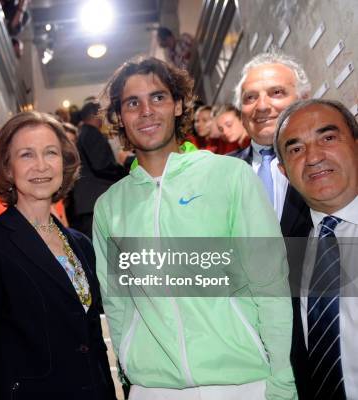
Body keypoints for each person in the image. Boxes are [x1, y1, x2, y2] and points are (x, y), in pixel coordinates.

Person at [94, 56, 297, 398]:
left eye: (157, 97)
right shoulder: (109, 206)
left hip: (242, 382)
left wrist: (281, 378)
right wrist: (130, 368)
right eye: (132, 102)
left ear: (177, 105)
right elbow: (118, 303)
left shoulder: (230, 176)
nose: (146, 111)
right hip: (153, 387)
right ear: (119, 117)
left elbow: (270, 283)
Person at [0, 111, 116, 400]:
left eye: (50, 153)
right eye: (26, 155)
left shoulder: (80, 244)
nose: (41, 165)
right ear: (7, 167)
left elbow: (93, 340)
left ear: (64, 163)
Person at [274, 99, 358, 400]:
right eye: (296, 149)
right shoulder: (283, 255)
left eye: (328, 138)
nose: (313, 157)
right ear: (284, 171)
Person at [231, 51, 311, 237]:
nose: (262, 107)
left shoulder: (334, 158)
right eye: (250, 97)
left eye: (276, 92)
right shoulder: (221, 171)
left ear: (304, 99)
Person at [71, 101, 128, 237]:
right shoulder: (92, 133)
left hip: (88, 203)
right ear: (97, 116)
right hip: (95, 202)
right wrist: (124, 171)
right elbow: (101, 165)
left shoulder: (82, 133)